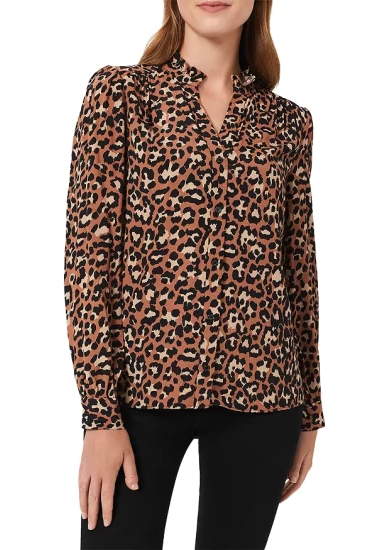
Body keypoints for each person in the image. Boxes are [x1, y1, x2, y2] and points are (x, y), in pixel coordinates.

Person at [65, 0, 325, 548]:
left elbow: (299, 272)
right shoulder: (121, 95)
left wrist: (310, 415)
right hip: (138, 395)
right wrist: (99, 416)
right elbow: (87, 263)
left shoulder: (288, 123)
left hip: (265, 395)